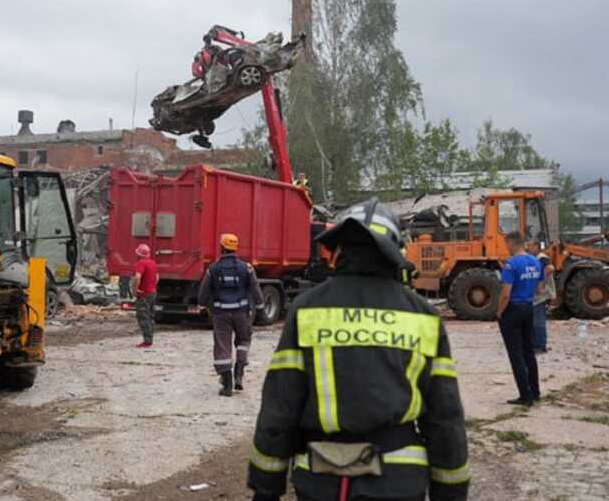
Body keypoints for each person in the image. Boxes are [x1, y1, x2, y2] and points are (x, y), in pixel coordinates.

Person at [248, 198, 469, 501]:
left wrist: (266, 487)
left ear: (339, 251)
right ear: (394, 253)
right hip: (399, 482)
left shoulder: (306, 310)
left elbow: (279, 408)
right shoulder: (422, 315)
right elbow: (445, 418)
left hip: (321, 481)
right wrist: (451, 492)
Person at [198, 233, 264, 397]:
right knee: (244, 340)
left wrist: (201, 305)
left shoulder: (213, 269)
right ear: (235, 247)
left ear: (222, 247)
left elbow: (204, 291)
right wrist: (260, 306)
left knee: (222, 345)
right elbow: (255, 288)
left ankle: (227, 385)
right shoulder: (246, 268)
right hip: (242, 313)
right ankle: (239, 373)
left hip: (221, 314)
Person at [496, 232, 542, 405]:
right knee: (529, 352)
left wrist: (499, 311)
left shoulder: (511, 265)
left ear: (511, 242)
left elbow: (505, 294)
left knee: (515, 354)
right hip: (528, 307)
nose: (506, 247)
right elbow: (539, 289)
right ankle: (535, 391)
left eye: (506, 243)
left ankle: (525, 395)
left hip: (512, 310)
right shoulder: (535, 261)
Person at [527, 240, 555, 353]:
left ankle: (540, 345)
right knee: (536, 319)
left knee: (538, 320)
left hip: (541, 295)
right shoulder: (537, 258)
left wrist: (540, 284)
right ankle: (536, 344)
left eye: (530, 246)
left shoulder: (541, 257)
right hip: (539, 295)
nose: (528, 248)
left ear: (536, 246)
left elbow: (550, 268)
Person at [132, 243, 158, 348]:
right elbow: (157, 277)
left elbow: (137, 277)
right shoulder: (153, 263)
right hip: (152, 292)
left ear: (139, 254)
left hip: (144, 294)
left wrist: (135, 289)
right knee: (150, 316)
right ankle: (150, 337)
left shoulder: (140, 263)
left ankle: (147, 340)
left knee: (143, 316)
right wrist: (152, 286)